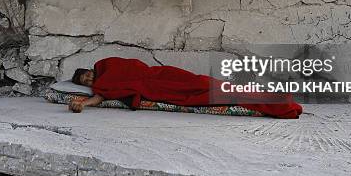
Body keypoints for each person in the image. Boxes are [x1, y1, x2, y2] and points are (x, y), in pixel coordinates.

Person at [69, 57, 302, 119]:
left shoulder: (107, 64)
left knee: (207, 84)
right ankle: (280, 103)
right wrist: (82, 103)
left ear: (88, 69)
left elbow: (135, 68)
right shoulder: (101, 86)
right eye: (85, 83)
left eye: (87, 76)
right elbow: (100, 96)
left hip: (163, 75)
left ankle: (279, 99)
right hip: (159, 90)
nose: (90, 80)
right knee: (212, 95)